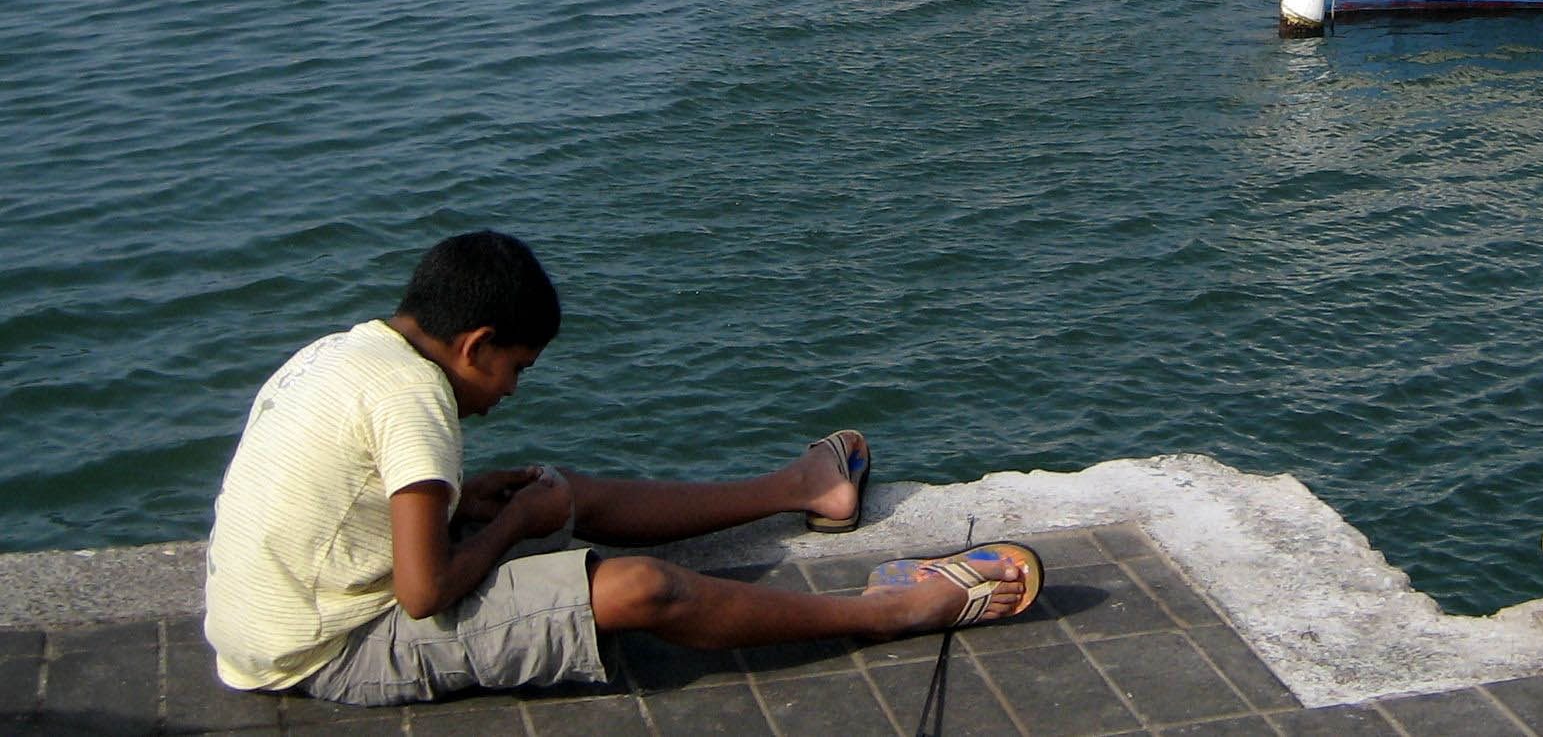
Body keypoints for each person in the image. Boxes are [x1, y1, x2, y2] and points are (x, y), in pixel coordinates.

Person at [203, 230, 1040, 707]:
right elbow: (424, 594)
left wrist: (477, 505)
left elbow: (347, 499)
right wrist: (512, 524)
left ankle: (803, 487)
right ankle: (885, 612)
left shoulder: (348, 352)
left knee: (561, 492)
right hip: (332, 648)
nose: (510, 391)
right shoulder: (416, 402)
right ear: (475, 344)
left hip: (271, 621)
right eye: (515, 368)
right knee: (643, 588)